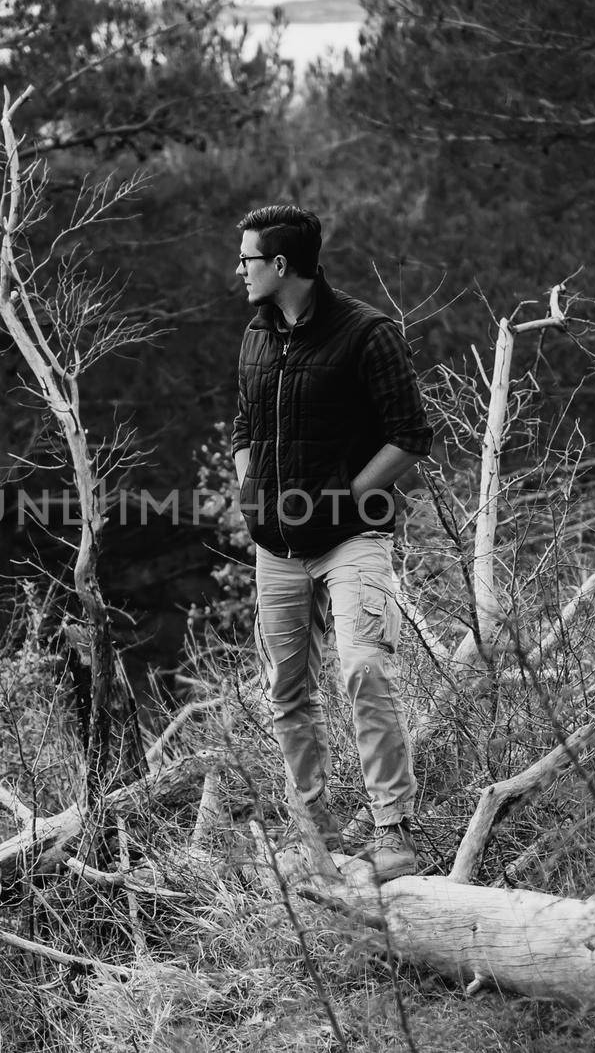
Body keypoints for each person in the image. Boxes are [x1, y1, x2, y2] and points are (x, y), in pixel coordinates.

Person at [229, 204, 433, 882]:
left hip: (353, 538)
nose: (239, 270)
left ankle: (392, 830)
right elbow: (243, 426)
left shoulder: (366, 333)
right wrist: (248, 487)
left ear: (281, 266)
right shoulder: (256, 337)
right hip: (274, 548)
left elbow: (410, 435)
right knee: (285, 692)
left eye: (248, 260)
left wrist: (345, 499)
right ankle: (312, 831)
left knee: (364, 668)